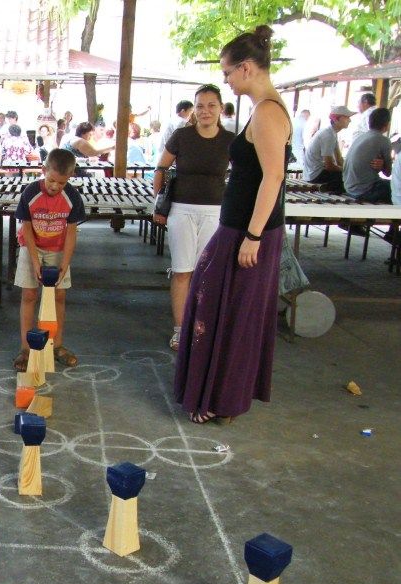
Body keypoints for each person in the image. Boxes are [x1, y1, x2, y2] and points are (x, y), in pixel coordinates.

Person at [174, 24, 292, 424]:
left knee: (230, 313)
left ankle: (220, 399)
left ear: (246, 68)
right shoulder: (263, 109)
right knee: (220, 307)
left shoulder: (268, 111)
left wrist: (253, 236)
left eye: (227, 72)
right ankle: (217, 395)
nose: (225, 80)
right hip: (239, 227)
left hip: (248, 230)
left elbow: (273, 177)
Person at [153, 84, 236, 352]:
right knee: (182, 271)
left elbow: (241, 175)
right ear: (194, 109)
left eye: (211, 105)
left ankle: (202, 326)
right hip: (181, 210)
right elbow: (161, 167)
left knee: (207, 272)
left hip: (215, 212)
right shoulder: (182, 136)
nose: (205, 111)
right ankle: (180, 329)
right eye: (200, 106)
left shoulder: (230, 140)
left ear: (220, 108)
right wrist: (158, 205)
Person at [12, 148, 86, 371]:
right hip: (31, 247)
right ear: (43, 170)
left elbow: (71, 233)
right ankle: (26, 349)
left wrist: (65, 263)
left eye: (61, 183)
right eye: (51, 180)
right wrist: (35, 262)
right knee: (29, 294)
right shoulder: (31, 193)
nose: (55, 186)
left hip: (58, 248)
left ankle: (56, 345)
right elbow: (26, 228)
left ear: (70, 177)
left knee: (59, 296)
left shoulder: (72, 197)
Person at [343, 107, 393, 203]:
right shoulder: (383, 140)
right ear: (387, 125)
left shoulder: (361, 137)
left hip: (348, 188)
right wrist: (383, 166)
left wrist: (381, 165)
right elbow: (388, 172)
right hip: (363, 192)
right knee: (396, 187)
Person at [303, 105, 353, 192]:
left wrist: (348, 169)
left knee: (349, 175)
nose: (350, 120)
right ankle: (329, 187)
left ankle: (330, 187)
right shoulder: (328, 135)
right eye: (347, 117)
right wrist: (346, 170)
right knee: (349, 180)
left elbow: (339, 159)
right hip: (315, 175)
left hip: (313, 173)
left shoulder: (332, 133)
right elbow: (329, 166)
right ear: (336, 119)